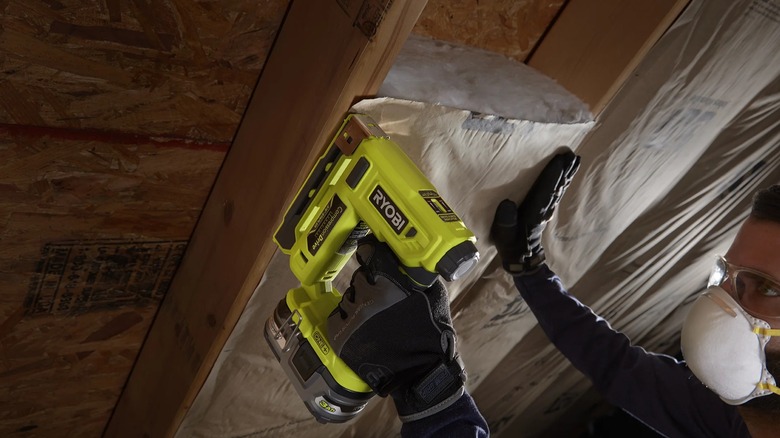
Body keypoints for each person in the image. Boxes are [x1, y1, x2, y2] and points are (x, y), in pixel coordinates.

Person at [327, 149, 780, 437]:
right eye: (730, 277)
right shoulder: (734, 411)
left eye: (769, 288)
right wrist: (529, 268)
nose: (725, 307)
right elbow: (618, 366)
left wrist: (428, 389)